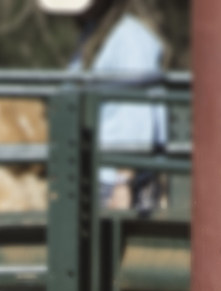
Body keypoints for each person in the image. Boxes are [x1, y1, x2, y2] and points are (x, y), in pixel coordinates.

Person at [39, 0, 169, 212]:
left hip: (116, 178)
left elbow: (136, 113)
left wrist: (123, 182)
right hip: (96, 170)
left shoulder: (129, 39)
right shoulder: (96, 34)